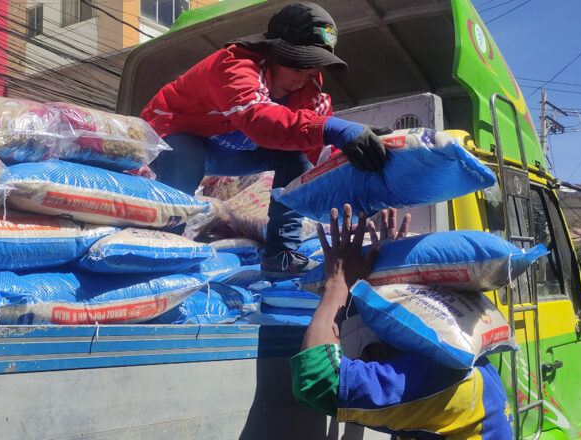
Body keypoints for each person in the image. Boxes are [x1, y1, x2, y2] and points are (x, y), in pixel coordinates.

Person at [141, 2, 391, 278]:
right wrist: (334, 128)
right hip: (170, 136)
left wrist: (356, 173)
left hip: (226, 148)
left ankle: (280, 254)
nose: (301, 80)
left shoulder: (309, 90)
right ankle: (164, 245)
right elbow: (261, 121)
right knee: (186, 155)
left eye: (310, 70)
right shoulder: (235, 65)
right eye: (297, 67)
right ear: (272, 50)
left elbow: (314, 158)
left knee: (295, 152)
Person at [290, 204, 515, 440]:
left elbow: (318, 380)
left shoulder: (440, 382)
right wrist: (386, 268)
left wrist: (337, 283)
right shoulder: (465, 358)